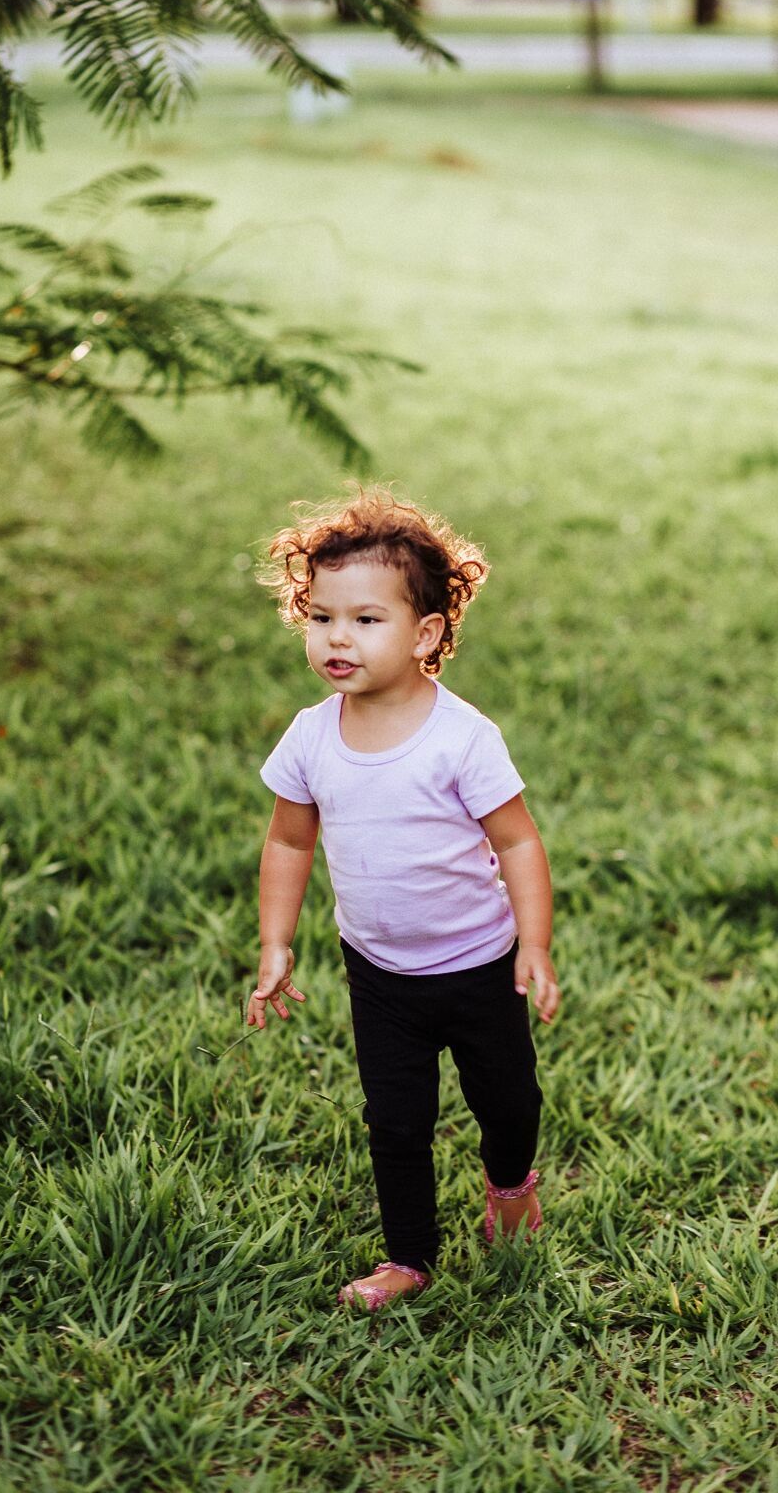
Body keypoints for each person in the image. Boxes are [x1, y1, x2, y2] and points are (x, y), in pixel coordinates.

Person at [251, 484, 559, 1312]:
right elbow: (287, 841)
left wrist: (533, 945)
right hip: (379, 971)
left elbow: (517, 841)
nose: (335, 638)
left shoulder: (461, 738)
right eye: (319, 617)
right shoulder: (312, 737)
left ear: (425, 634)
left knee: (507, 1099)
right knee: (394, 1120)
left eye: (364, 620)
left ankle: (509, 1187)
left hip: (476, 964)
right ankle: (408, 1256)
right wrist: (275, 943)